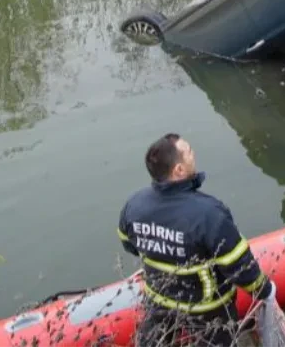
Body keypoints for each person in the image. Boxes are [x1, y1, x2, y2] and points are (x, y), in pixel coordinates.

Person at [118, 134, 275, 347]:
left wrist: (164, 249)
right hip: (208, 308)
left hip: (159, 299)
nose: (194, 153)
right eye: (189, 151)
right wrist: (265, 291)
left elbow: (129, 244)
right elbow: (239, 266)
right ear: (179, 170)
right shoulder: (209, 214)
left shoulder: (134, 205)